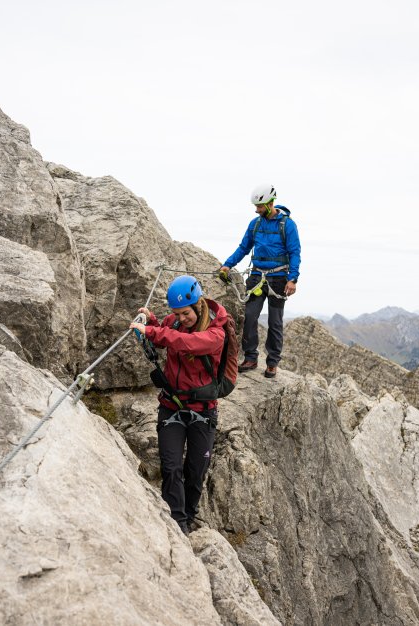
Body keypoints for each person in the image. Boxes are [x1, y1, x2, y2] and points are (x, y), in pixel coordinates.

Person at [130, 275, 226, 535]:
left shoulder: (216, 333)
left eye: (185, 314)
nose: (181, 319)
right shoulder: (174, 322)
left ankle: (190, 514)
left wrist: (152, 331)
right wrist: (151, 321)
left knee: (196, 471)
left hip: (202, 411)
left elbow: (186, 343)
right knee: (171, 468)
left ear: (198, 305)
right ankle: (177, 522)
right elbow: (169, 333)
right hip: (171, 405)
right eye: (177, 314)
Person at [220, 184, 301, 379]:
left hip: (278, 279)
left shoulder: (287, 225)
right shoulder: (255, 224)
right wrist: (227, 265)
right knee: (249, 317)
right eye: (256, 206)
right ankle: (251, 357)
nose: (257, 210)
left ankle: (272, 362)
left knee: (275, 322)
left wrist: (293, 279)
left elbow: (295, 252)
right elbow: (243, 248)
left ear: (271, 203)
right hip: (257, 277)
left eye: (260, 206)